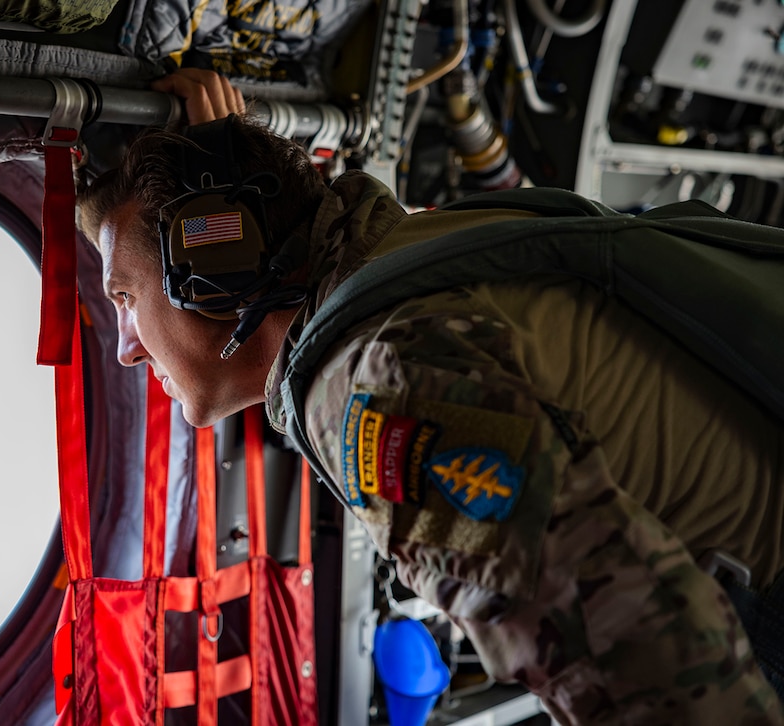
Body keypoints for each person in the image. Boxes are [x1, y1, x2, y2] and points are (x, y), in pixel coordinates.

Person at [76, 77, 784, 723]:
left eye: (125, 298)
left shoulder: (370, 383)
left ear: (208, 267)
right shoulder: (423, 257)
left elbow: (633, 656)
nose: (125, 349)